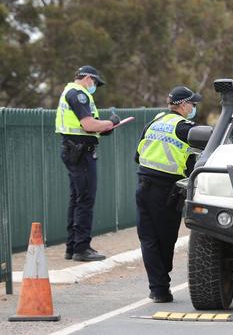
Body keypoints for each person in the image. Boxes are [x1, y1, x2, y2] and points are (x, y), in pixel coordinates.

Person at [134, 86, 202, 303]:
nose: (194, 108)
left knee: (148, 239)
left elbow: (137, 155)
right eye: (192, 104)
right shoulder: (184, 128)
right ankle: (161, 286)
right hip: (166, 190)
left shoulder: (154, 122)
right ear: (182, 105)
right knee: (165, 239)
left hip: (143, 185)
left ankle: (158, 289)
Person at [55, 65, 120, 262]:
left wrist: (105, 128)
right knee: (85, 200)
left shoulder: (70, 92)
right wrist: (110, 123)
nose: (95, 87)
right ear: (88, 78)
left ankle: (72, 246)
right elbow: (88, 124)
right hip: (81, 153)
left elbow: (88, 127)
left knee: (77, 198)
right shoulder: (78, 94)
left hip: (75, 150)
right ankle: (81, 248)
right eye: (95, 83)